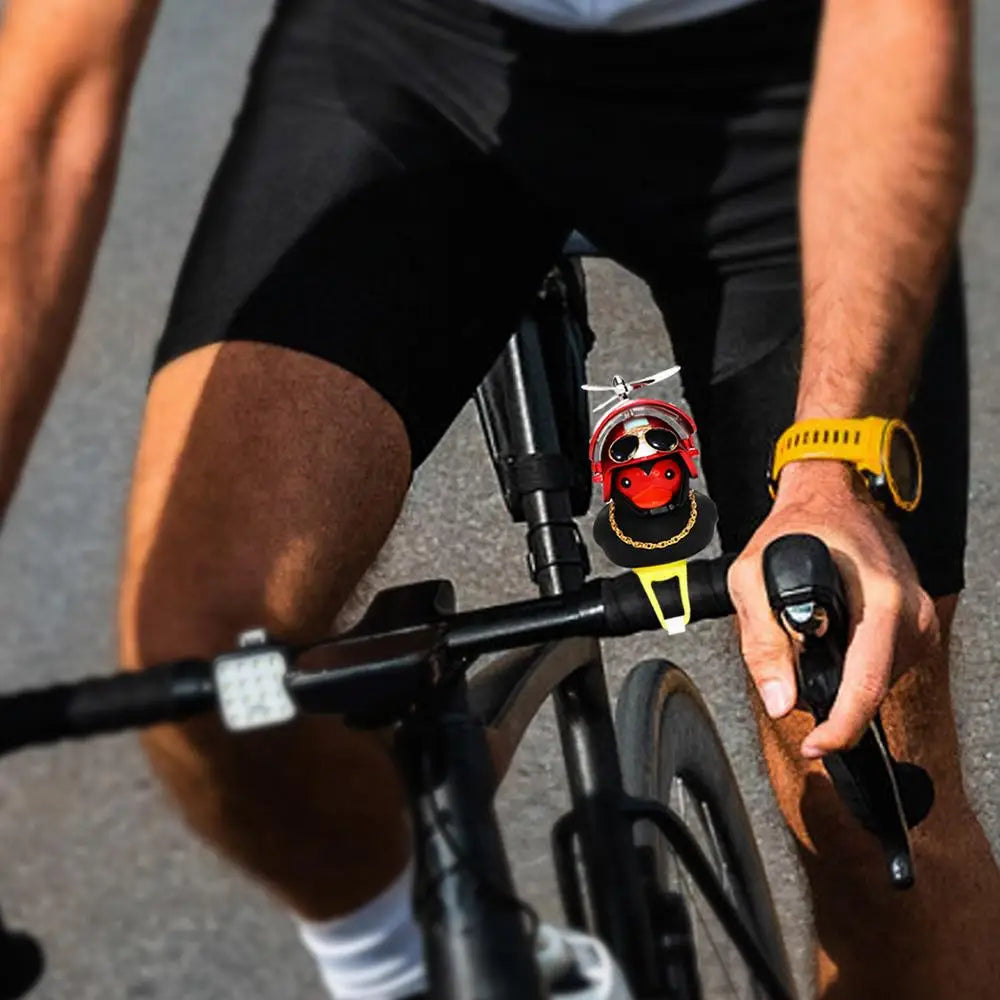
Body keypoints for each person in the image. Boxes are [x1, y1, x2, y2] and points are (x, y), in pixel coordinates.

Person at [0, 0, 996, 996]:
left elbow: (894, 28)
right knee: (207, 671)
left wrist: (825, 466)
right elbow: (38, 117)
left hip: (779, 78)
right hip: (410, 62)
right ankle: (405, 963)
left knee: (863, 781)